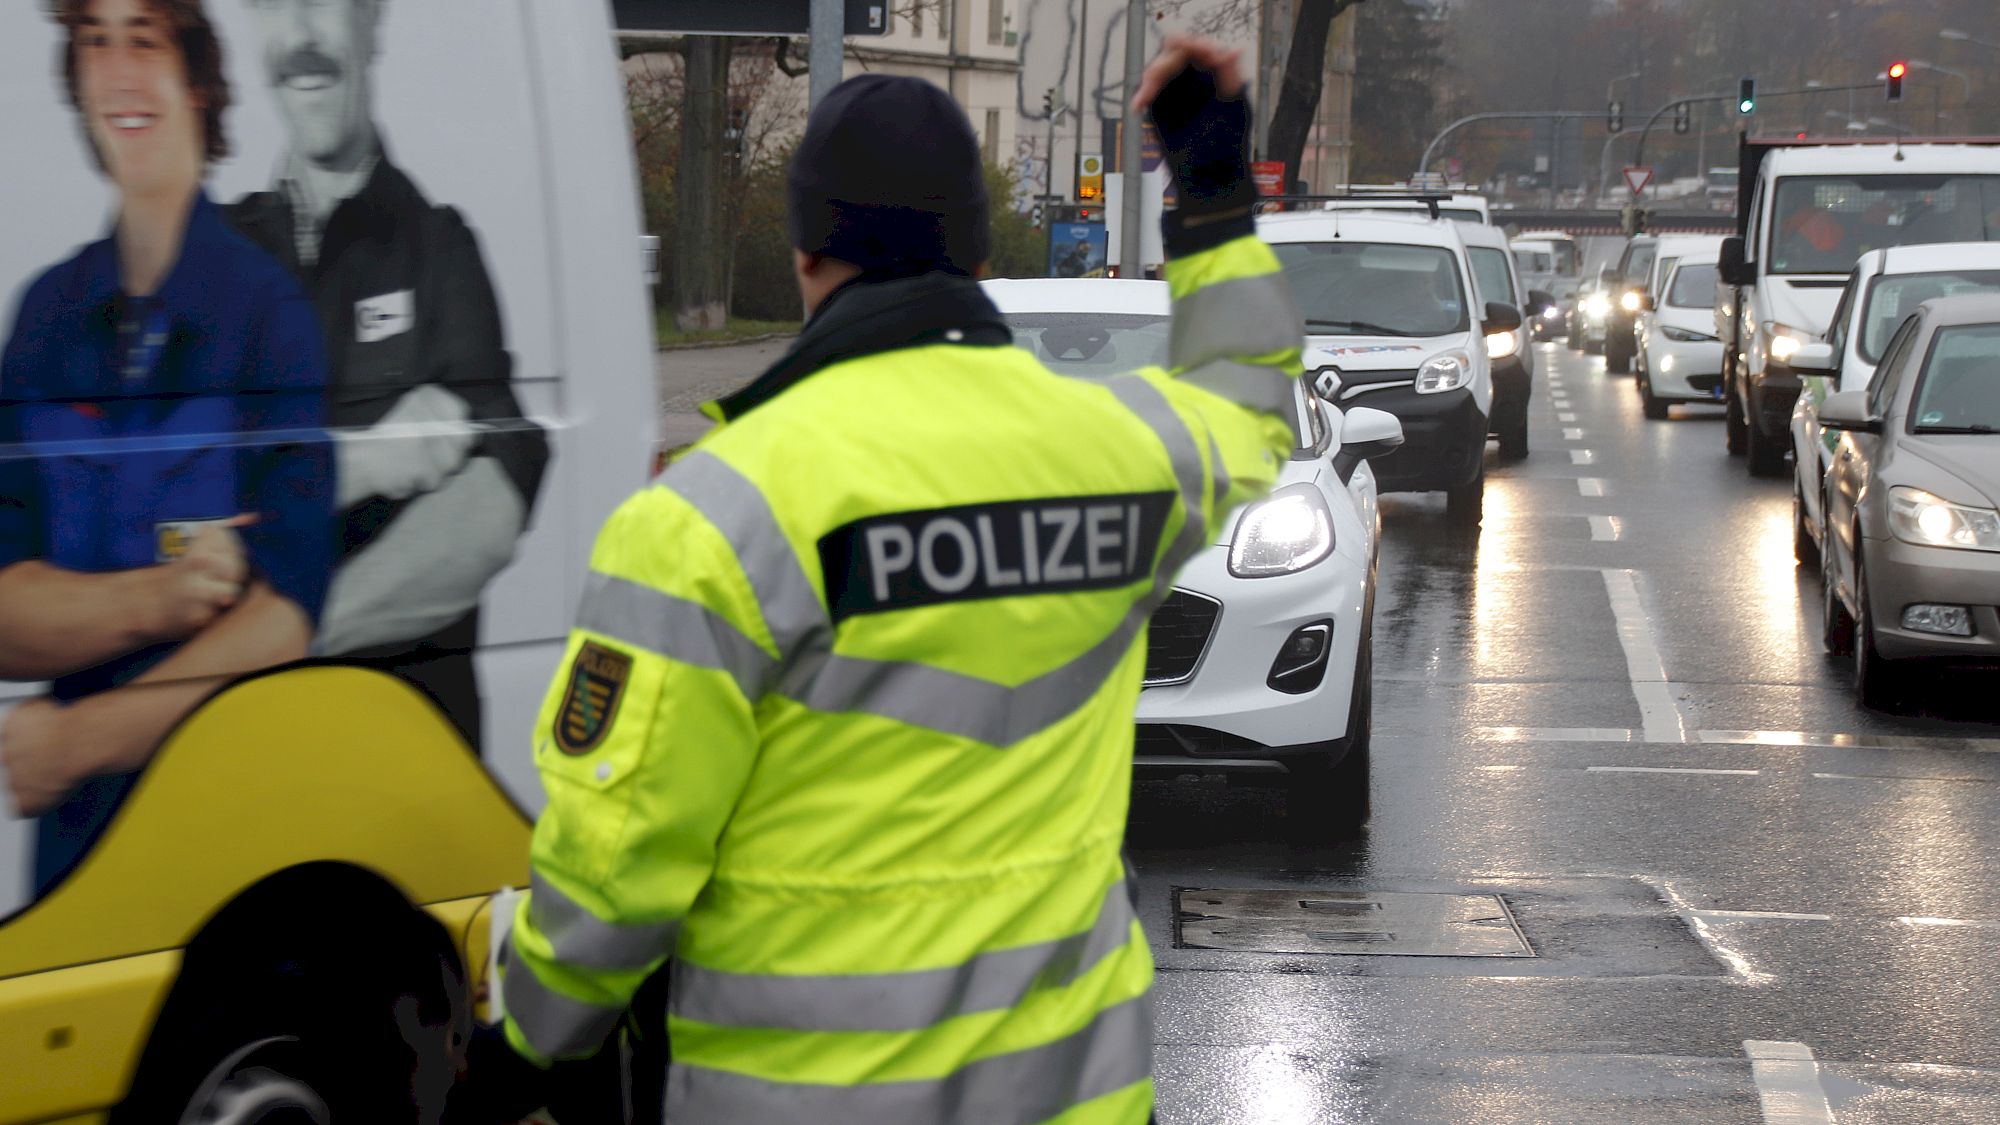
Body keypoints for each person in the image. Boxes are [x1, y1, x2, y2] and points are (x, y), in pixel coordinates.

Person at [463, 37, 1305, 1124]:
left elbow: (618, 866)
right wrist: (1207, 187)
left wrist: (524, 1045)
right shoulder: (1125, 459)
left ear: (809, 251)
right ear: (973, 242)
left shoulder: (714, 517)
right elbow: (1246, 394)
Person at [0, 0, 332, 892]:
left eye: (141, 39)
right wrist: (164, 597)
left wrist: (73, 738)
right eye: (92, 43)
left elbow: (284, 615)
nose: (116, 71)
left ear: (195, 81)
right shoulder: (44, 319)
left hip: (221, 827)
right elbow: (5, 609)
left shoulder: (269, 315)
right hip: (72, 856)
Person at [229, 0, 550, 749]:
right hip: (223, 745)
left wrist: (283, 631)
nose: (303, 37)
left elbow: (498, 483)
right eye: (276, 5)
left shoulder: (440, 247)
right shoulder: (213, 250)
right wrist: (363, 461)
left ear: (373, 25)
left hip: (406, 741)